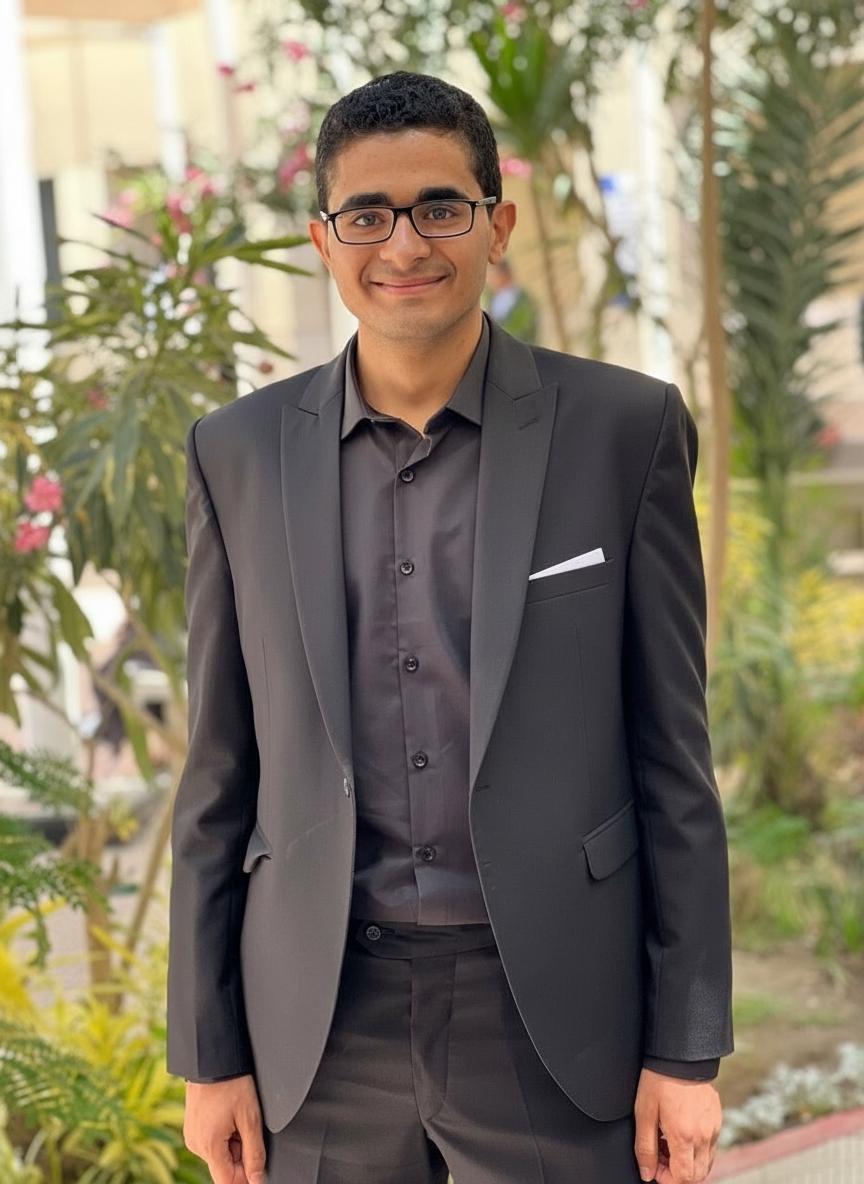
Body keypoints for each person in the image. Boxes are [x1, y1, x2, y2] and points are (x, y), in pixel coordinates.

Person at [167, 70, 734, 1184]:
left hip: (553, 1009)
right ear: (324, 241)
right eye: (366, 215)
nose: (403, 244)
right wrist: (208, 1051)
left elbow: (675, 758)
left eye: (439, 207)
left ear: (496, 224)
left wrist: (685, 1048)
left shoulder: (624, 429)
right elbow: (217, 770)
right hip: (318, 1026)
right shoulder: (234, 452)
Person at [486, 257, 539, 342]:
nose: (489, 280)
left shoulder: (522, 300)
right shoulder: (493, 300)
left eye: (492, 275)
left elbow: (524, 330)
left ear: (503, 274)